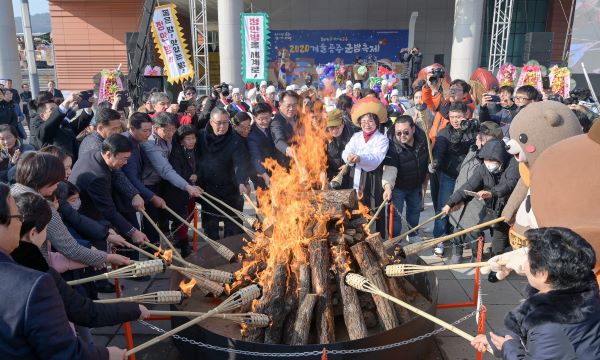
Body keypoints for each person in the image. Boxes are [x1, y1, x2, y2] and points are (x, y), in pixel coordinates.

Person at [0, 183, 126, 359]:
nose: (19, 223)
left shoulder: (27, 264)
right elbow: (64, 351)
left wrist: (100, 258)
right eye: (17, 218)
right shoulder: (34, 285)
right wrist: (106, 354)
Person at [11, 192, 149, 333]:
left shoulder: (16, 260)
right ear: (33, 233)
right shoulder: (40, 277)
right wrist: (132, 310)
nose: (47, 236)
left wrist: (99, 258)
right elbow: (84, 311)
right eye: (46, 230)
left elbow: (53, 259)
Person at [471, 227, 600, 358]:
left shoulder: (550, 326)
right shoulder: (582, 289)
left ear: (543, 275)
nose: (523, 263)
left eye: (528, 258)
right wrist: (496, 341)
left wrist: (508, 348)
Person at [12, 152, 130, 270]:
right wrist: (107, 257)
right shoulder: (43, 208)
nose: (57, 186)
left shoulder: (11, 193)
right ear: (45, 179)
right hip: (33, 270)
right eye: (56, 182)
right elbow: (70, 248)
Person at [442, 138, 519, 263]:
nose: (489, 163)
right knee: (475, 228)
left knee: (498, 239)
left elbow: (509, 184)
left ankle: (496, 264)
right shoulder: (484, 168)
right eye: (486, 160)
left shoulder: (513, 165)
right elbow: (469, 186)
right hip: (492, 207)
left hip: (507, 207)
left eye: (493, 160)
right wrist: (450, 203)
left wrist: (491, 192)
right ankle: (479, 255)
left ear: (501, 159)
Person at [69, 134, 150, 248]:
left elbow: (116, 173)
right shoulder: (97, 176)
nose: (125, 163)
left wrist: (133, 194)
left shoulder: (95, 154)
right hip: (87, 219)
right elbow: (108, 210)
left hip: (92, 214)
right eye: (124, 159)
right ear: (108, 154)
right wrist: (133, 232)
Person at [449, 121, 505, 259]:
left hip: (476, 200)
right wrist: (462, 132)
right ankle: (457, 252)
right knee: (456, 227)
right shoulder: (473, 147)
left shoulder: (496, 156)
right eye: (479, 137)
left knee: (474, 230)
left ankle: (477, 255)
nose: (479, 140)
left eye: (484, 138)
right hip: (460, 192)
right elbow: (455, 146)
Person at [430, 103, 476, 256]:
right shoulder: (444, 132)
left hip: (468, 176)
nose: (455, 120)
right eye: (452, 117)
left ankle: (463, 239)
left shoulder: (473, 130)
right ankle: (439, 239)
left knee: (466, 208)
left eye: (458, 117)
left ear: (466, 115)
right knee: (444, 207)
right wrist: (435, 162)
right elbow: (439, 150)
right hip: (449, 175)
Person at [197, 107, 249, 240]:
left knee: (233, 228)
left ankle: (234, 255)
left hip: (231, 188)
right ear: (211, 121)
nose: (222, 126)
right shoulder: (201, 136)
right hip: (209, 189)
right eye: (218, 123)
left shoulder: (235, 139)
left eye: (225, 122)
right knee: (211, 229)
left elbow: (240, 163)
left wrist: (241, 182)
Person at [342, 97, 390, 234]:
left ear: (376, 122)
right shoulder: (356, 136)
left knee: (374, 207)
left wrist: (360, 158)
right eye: (363, 121)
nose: (367, 124)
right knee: (356, 206)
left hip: (373, 177)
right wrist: (349, 157)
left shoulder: (382, 139)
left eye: (370, 121)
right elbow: (346, 151)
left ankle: (377, 236)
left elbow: (376, 158)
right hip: (356, 175)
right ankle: (357, 235)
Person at [382, 115, 429, 240]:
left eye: (406, 132)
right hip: (398, 186)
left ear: (413, 129)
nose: (402, 135)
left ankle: (413, 234)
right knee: (395, 216)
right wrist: (388, 186)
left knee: (415, 212)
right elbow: (390, 168)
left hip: (416, 184)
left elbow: (428, 154)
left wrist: (431, 166)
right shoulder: (392, 145)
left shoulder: (422, 138)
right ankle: (395, 240)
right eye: (398, 133)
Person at [164, 125, 198, 256]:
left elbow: (198, 166)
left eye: (193, 138)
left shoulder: (195, 150)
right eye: (188, 139)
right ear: (181, 141)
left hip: (192, 190)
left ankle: (180, 237)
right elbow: (176, 172)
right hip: (179, 191)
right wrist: (190, 176)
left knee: (190, 213)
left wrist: (197, 175)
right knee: (182, 217)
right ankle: (184, 247)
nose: (191, 141)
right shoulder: (176, 153)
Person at [29, 93, 94, 158]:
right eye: (52, 109)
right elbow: (50, 124)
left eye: (56, 109)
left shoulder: (62, 124)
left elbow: (77, 126)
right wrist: (67, 101)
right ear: (42, 116)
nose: (55, 111)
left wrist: (87, 107)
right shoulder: (41, 128)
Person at [423, 73, 475, 145]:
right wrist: (427, 86)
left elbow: (447, 113)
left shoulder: (467, 108)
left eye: (456, 90)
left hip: (448, 144)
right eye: (451, 89)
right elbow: (427, 102)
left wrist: (440, 92)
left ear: (465, 94)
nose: (452, 92)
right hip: (433, 141)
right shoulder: (445, 103)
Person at [247, 102, 277, 189]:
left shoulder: (274, 125)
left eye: (267, 118)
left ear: (271, 115)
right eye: (260, 119)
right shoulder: (251, 134)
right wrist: (264, 175)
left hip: (277, 169)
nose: (265, 122)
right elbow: (255, 157)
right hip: (260, 172)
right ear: (254, 118)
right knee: (264, 199)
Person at [326, 109, 355, 189]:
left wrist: (348, 167)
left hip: (349, 175)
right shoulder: (323, 136)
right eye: (331, 128)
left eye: (337, 127)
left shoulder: (352, 134)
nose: (335, 131)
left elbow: (356, 155)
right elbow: (321, 157)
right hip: (331, 174)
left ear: (342, 124)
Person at [270, 90, 300, 168]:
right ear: (280, 104)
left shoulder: (299, 117)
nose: (291, 109)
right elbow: (278, 141)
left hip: (303, 159)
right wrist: (287, 149)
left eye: (294, 105)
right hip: (287, 165)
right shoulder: (276, 122)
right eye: (288, 106)